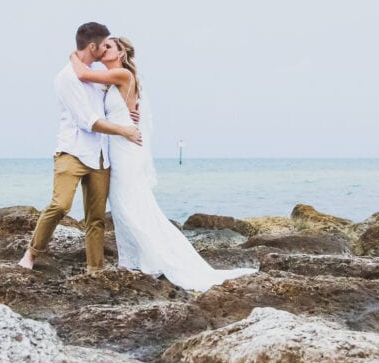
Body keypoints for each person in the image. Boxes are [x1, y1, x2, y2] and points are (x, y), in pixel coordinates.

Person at [70, 36, 255, 291]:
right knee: (125, 207)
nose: (103, 50)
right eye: (102, 47)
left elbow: (81, 74)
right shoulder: (115, 81)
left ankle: (152, 260)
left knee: (131, 206)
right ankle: (134, 260)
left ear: (122, 53)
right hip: (117, 148)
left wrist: (76, 54)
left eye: (109, 46)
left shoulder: (122, 74)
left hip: (126, 152)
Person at [18, 22, 142, 272]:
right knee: (60, 205)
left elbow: (114, 103)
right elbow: (88, 121)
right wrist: (124, 129)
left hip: (101, 156)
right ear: (93, 46)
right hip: (73, 152)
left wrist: (129, 114)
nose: (106, 48)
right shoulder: (67, 77)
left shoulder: (98, 78)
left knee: (96, 218)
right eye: (104, 44)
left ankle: (94, 270)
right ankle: (30, 254)